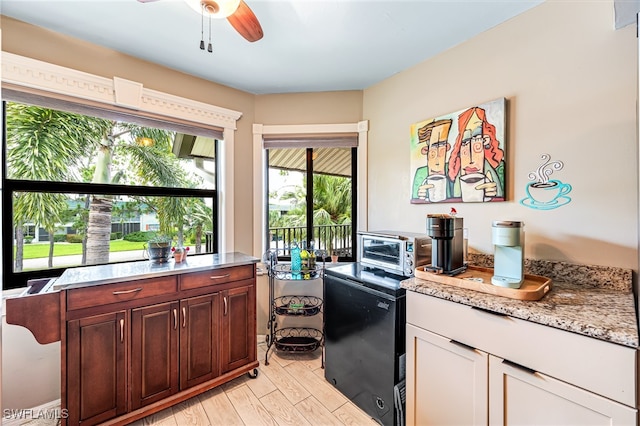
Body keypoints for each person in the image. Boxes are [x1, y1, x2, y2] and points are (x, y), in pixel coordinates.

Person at [447, 107, 504, 201]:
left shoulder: (500, 169)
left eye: (477, 144)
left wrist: (494, 194)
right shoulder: (450, 171)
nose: (471, 160)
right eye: (465, 144)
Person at [411, 119, 453, 202]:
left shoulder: (452, 168)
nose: (437, 162)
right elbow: (414, 199)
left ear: (447, 148)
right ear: (426, 151)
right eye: (433, 154)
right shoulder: (421, 173)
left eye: (441, 153)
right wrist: (420, 196)